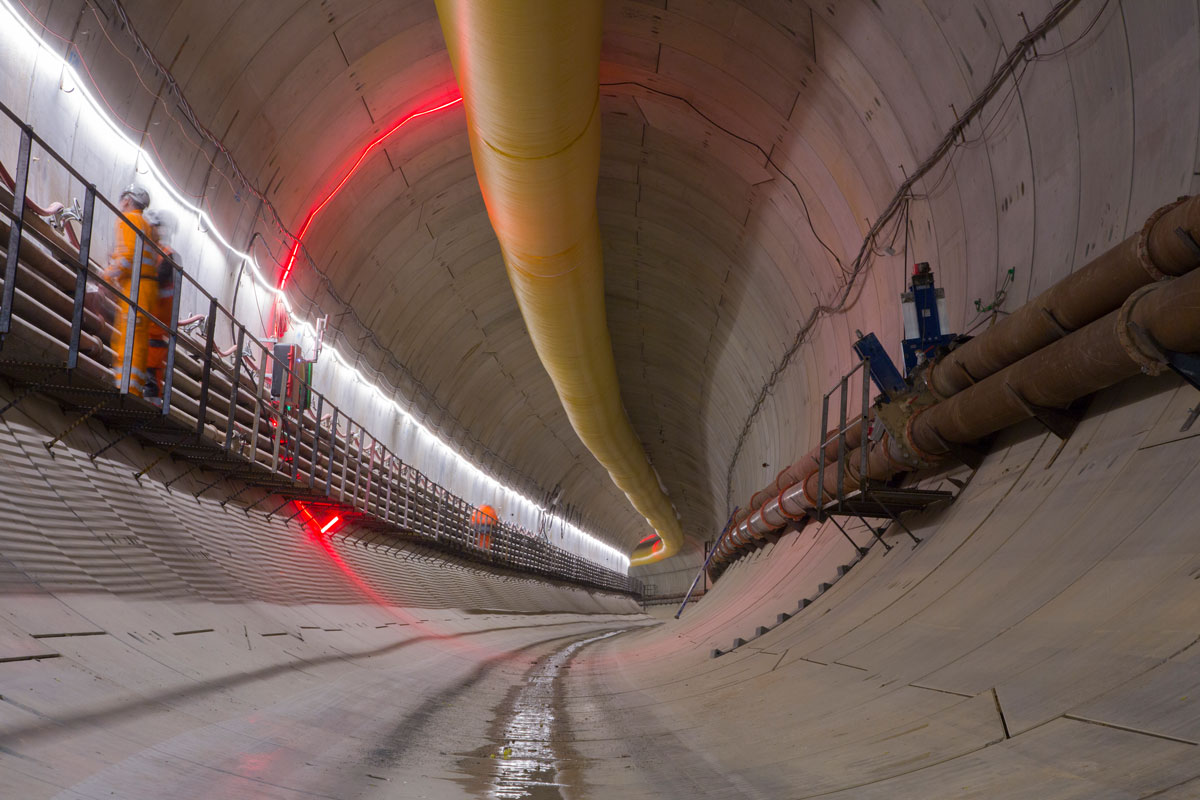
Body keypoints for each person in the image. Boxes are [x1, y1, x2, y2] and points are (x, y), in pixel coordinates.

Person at [103, 185, 159, 397]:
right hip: (145, 287)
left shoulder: (129, 220)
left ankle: (125, 386)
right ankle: (132, 386)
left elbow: (127, 257)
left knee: (129, 337)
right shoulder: (147, 224)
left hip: (136, 287)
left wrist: (106, 275)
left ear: (127, 200)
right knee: (138, 338)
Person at [143, 208, 179, 399]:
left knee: (151, 371)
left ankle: (152, 397)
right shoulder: (152, 253)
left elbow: (156, 281)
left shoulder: (166, 255)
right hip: (148, 323)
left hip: (154, 324)